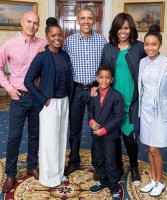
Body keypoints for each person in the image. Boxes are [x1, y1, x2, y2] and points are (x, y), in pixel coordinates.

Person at [0, 11, 46, 193]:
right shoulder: (9, 45)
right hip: (18, 97)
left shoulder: (43, 44)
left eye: (35, 23)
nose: (32, 26)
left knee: (35, 134)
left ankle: (31, 166)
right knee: (14, 136)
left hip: (36, 97)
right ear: (22, 22)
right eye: (29, 22)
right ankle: (10, 173)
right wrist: (9, 88)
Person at [24, 17, 73, 187]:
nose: (57, 38)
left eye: (60, 35)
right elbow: (28, 81)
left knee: (60, 140)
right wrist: (43, 99)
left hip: (64, 101)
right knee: (49, 141)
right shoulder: (42, 56)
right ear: (47, 37)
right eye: (53, 35)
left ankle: (59, 174)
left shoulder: (65, 55)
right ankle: (48, 177)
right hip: (49, 103)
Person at [100, 13, 146, 185]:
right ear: (114, 29)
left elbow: (156, 59)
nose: (123, 31)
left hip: (132, 101)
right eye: (119, 28)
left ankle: (134, 167)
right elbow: (103, 71)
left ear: (131, 29)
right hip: (113, 102)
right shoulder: (108, 48)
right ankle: (117, 166)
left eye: (126, 28)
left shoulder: (140, 47)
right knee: (113, 137)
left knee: (130, 138)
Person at [62, 7, 107, 176]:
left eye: (89, 18)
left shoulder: (101, 41)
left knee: (97, 127)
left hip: (96, 90)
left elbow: (105, 65)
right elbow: (61, 61)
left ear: (94, 20)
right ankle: (74, 161)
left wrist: (98, 83)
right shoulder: (69, 41)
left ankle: (98, 163)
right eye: (83, 18)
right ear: (78, 21)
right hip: (76, 90)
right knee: (74, 129)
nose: (86, 21)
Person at [138, 24, 167, 196]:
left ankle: (160, 182)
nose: (150, 48)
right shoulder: (142, 62)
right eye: (147, 44)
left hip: (161, 110)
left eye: (154, 44)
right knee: (148, 147)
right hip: (145, 110)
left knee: (154, 149)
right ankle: (153, 179)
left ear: (160, 45)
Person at [88, 64, 124, 200]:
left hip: (109, 135)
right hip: (95, 134)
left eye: (107, 78)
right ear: (97, 78)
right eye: (101, 77)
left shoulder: (116, 96)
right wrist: (91, 122)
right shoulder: (94, 94)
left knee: (110, 162)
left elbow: (118, 117)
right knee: (98, 159)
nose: (104, 80)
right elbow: (90, 110)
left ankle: (114, 189)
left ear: (112, 79)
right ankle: (103, 181)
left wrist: (103, 130)